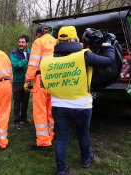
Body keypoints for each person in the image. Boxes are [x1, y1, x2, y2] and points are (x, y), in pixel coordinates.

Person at [40, 26, 115, 175]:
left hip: (58, 105)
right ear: (75, 39)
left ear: (58, 40)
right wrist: (107, 45)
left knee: (61, 137)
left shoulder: (47, 61)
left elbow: (44, 83)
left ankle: (61, 169)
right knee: (83, 133)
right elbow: (109, 61)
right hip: (82, 105)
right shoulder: (84, 55)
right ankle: (85, 159)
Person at [24, 24, 56, 150]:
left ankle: (43, 141)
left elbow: (33, 63)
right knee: (50, 108)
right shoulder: (56, 42)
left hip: (41, 79)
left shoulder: (39, 42)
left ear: (38, 34)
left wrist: (27, 80)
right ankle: (50, 134)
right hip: (55, 80)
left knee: (40, 109)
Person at [10, 34, 32, 130]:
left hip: (27, 80)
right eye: (19, 42)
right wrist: (26, 60)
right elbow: (15, 65)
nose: (20, 44)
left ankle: (24, 117)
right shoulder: (13, 53)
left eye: (23, 42)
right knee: (17, 102)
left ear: (27, 43)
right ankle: (16, 121)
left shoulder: (30, 52)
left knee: (25, 101)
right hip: (17, 81)